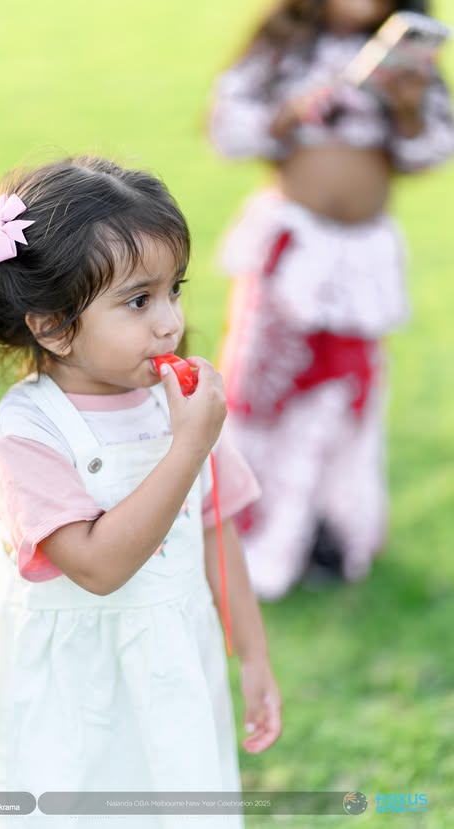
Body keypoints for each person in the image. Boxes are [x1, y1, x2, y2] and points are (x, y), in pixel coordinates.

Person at [0, 156, 282, 828]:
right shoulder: (25, 437)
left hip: (168, 666)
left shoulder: (182, 403)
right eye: (139, 301)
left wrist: (252, 655)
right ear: (52, 325)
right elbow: (98, 565)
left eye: (174, 290)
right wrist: (187, 447)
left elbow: (216, 528)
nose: (169, 321)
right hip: (61, 690)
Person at [208, 0, 454, 599]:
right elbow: (227, 129)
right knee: (265, 385)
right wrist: (287, 116)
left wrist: (406, 109)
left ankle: (327, 531)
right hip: (291, 250)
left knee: (344, 393)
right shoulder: (282, 48)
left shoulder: (411, 66)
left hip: (360, 262)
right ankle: (244, 528)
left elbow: (432, 154)